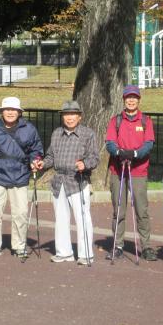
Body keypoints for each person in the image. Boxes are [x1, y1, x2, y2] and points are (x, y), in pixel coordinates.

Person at [0, 97, 43, 258]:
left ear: (19, 112)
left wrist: (36, 160)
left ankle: (19, 245)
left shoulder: (29, 128)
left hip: (20, 174)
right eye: (7, 109)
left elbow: (36, 149)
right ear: (1, 112)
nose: (10, 112)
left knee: (20, 213)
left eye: (14, 110)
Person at [36, 100, 99, 266]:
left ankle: (86, 254)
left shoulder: (88, 133)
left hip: (78, 180)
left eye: (73, 114)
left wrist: (85, 164)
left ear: (79, 117)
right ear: (62, 117)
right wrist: (44, 163)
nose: (69, 118)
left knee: (82, 217)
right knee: (61, 218)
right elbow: (50, 156)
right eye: (66, 114)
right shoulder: (57, 133)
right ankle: (64, 252)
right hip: (59, 181)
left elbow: (94, 157)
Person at [104, 85, 158, 261]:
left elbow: (149, 144)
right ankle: (118, 245)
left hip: (138, 171)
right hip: (117, 170)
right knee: (118, 209)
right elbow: (110, 142)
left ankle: (146, 246)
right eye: (128, 97)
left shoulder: (146, 121)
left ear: (139, 99)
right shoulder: (116, 120)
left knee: (141, 210)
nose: (131, 100)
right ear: (124, 100)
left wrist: (135, 154)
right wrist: (119, 153)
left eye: (134, 97)